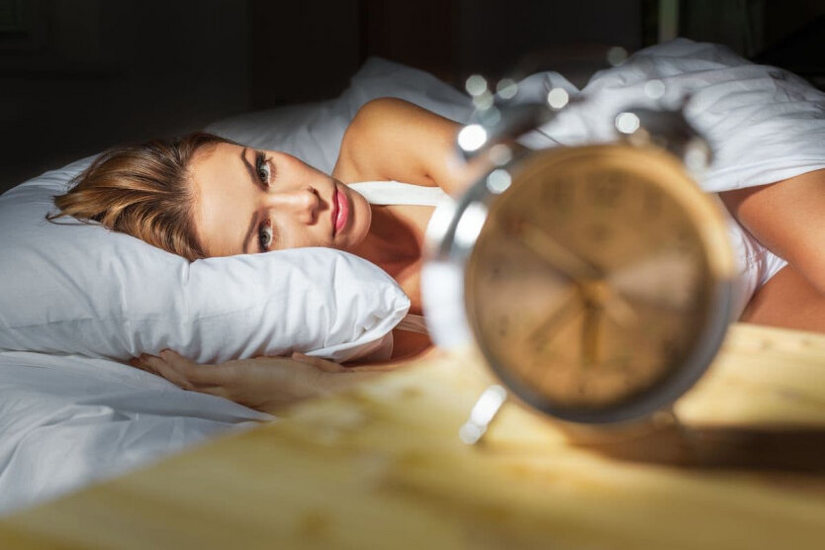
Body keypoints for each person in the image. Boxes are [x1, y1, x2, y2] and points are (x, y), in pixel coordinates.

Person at [50, 96, 825, 412]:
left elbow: (555, 243)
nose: (302, 199)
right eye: (264, 231)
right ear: (252, 273)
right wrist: (284, 383)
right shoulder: (347, 332)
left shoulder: (378, 139)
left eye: (263, 168)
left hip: (706, 190)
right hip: (703, 313)